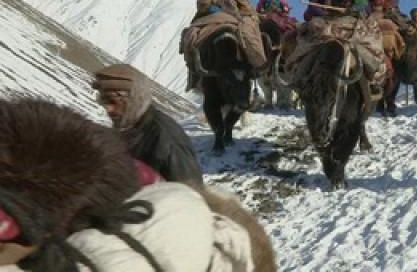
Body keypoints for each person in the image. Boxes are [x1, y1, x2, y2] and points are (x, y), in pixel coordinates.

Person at [0, 98, 276, 271]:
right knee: (198, 36)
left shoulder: (163, 138)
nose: (105, 106)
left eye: (115, 98)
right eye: (102, 96)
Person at [92, 63, 204, 185]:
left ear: (134, 98)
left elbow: (190, 193)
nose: (108, 109)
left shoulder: (166, 138)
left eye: (113, 101)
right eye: (103, 101)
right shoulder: (129, 126)